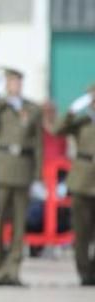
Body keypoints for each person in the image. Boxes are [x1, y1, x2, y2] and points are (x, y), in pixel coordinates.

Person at [0, 67, 43, 286]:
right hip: (2, 168)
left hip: (23, 168)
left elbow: (38, 143)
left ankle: (13, 269)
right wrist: (2, 100)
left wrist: (37, 175)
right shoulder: (0, 108)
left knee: (19, 224)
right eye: (12, 82)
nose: (16, 86)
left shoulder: (32, 109)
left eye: (18, 82)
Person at [54, 87, 95, 285]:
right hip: (82, 180)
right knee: (82, 231)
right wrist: (71, 111)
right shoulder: (83, 121)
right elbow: (57, 130)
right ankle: (84, 272)